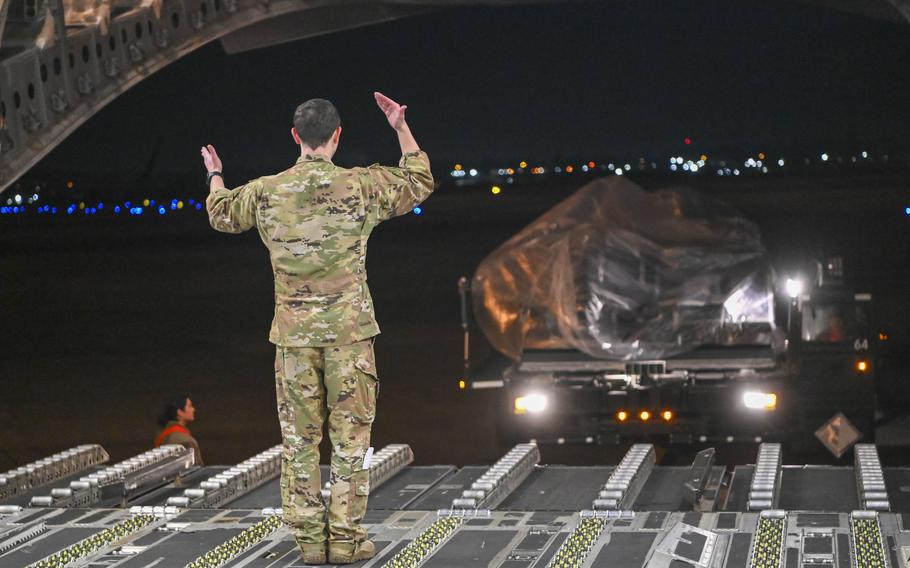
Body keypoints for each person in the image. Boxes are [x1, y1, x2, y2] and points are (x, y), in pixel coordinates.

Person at [200, 93, 433, 564]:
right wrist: (399, 126)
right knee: (352, 442)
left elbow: (221, 213)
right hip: (349, 337)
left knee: (300, 442)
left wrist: (215, 173)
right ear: (337, 136)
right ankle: (346, 540)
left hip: (293, 341)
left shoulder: (267, 191)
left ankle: (310, 541)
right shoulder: (360, 186)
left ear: (294, 137)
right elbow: (419, 180)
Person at [154, 395, 204, 465]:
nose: (193, 409)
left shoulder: (163, 434)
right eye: (189, 406)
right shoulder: (187, 441)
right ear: (180, 412)